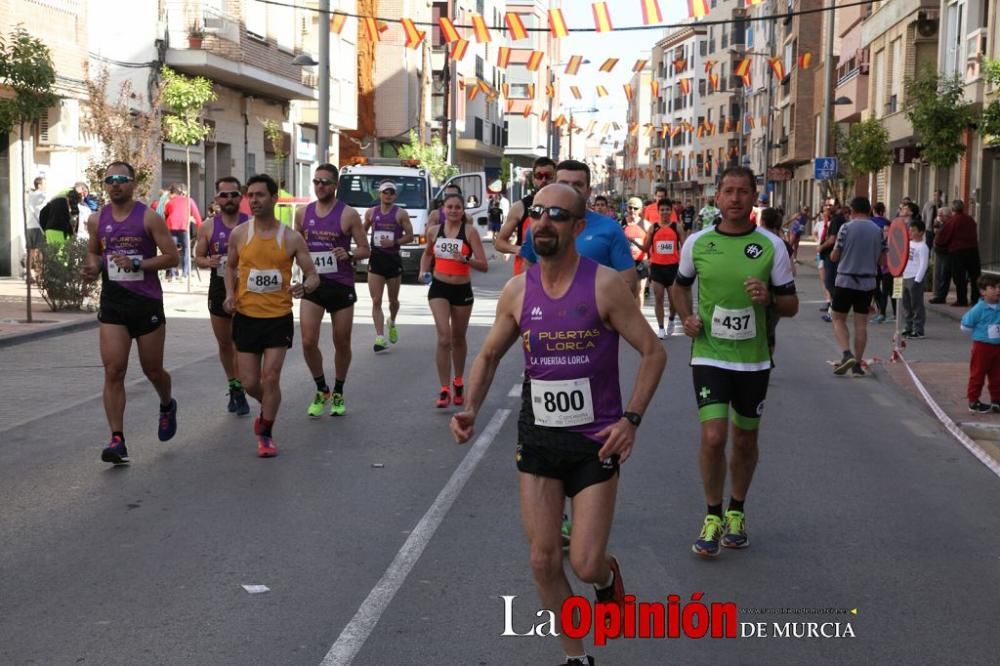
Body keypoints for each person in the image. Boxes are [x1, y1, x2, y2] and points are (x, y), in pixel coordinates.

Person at [450, 183, 666, 666]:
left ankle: (607, 578)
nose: (544, 223)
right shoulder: (518, 290)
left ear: (578, 227)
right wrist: (470, 409)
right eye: (538, 214)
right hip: (540, 437)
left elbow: (654, 353)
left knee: (585, 563)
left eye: (558, 216)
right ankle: (576, 656)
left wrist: (631, 420)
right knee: (543, 559)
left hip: (596, 441)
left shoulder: (605, 285)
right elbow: (487, 356)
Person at [669, 166, 798, 557]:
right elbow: (679, 286)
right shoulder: (698, 243)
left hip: (754, 360)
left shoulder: (772, 246)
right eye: (728, 191)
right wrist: (686, 317)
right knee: (713, 436)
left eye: (743, 191)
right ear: (718, 197)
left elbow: (791, 305)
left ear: (754, 197)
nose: (736, 198)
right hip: (710, 354)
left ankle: (737, 510)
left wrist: (769, 299)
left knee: (745, 440)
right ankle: (712, 514)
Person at [80, 161, 180, 464]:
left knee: (153, 370)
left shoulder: (149, 217)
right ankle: (117, 439)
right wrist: (92, 267)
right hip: (113, 302)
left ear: (133, 183)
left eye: (121, 179)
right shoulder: (97, 219)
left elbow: (172, 257)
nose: (115, 184)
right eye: (109, 180)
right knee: (114, 371)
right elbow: (95, 251)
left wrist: (138, 264)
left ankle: (166, 403)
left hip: (146, 302)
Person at [223, 174, 320, 456]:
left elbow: (312, 275)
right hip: (246, 316)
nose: (254, 200)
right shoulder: (240, 234)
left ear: (274, 198)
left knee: (272, 377)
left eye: (260, 195)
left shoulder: (290, 238)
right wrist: (230, 294)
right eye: (250, 195)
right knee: (250, 382)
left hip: (278, 317)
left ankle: (265, 431)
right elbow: (230, 267)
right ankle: (268, 405)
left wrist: (305, 286)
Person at [297, 164, 370, 418]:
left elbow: (365, 249)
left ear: (335, 185)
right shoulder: (302, 213)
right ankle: (321, 388)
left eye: (325, 182)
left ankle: (338, 390)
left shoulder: (348, 214)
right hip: (314, 284)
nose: (320, 186)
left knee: (341, 340)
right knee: (307, 341)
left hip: (340, 284)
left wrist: (349, 254)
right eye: (316, 181)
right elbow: (295, 248)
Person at [519, 160, 637, 296]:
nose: (570, 189)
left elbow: (629, 284)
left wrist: (592, 309)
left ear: (588, 191)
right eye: (563, 184)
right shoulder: (540, 226)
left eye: (577, 185)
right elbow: (528, 267)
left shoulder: (610, 228)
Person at [420, 192, 489, 408]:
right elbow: (427, 254)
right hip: (439, 287)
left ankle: (458, 381)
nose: (453, 211)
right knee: (444, 338)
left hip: (461, 289)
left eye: (457, 207)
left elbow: (484, 265)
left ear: (462, 210)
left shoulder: (470, 232)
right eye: (449, 207)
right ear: (443, 209)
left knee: (458, 338)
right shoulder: (433, 231)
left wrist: (466, 259)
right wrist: (423, 271)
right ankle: (444, 388)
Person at [194, 176, 250, 415]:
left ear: (241, 197)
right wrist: (209, 260)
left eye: (234, 194)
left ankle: (246, 384)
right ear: (216, 199)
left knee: (242, 341)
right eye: (224, 195)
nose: (229, 199)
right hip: (218, 287)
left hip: (247, 288)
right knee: (225, 342)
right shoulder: (207, 226)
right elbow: (198, 257)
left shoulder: (252, 223)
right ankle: (235, 386)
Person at [829, 197, 883, 377]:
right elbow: (883, 260)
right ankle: (857, 366)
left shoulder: (846, 227)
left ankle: (846, 354)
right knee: (861, 324)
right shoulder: (878, 230)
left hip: (845, 280)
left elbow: (835, 256)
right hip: (867, 283)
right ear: (868, 210)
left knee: (838, 318)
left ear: (852, 210)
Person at [364, 181, 413, 352]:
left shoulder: (400, 214)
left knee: (393, 301)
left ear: (395, 195)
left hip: (393, 260)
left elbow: (410, 236)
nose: (388, 195)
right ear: (380, 194)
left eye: (391, 193)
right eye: (385, 192)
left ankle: (392, 321)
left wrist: (395, 241)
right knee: (376, 300)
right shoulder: (371, 213)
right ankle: (380, 337)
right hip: (376, 259)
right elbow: (361, 231)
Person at [495, 157, 557, 274]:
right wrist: (520, 249)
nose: (543, 180)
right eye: (539, 176)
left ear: (555, 178)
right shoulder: (520, 206)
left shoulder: (563, 205)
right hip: (524, 275)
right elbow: (499, 242)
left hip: (554, 275)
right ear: (533, 179)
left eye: (548, 176)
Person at [641, 198, 681, 338]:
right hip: (657, 268)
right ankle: (661, 328)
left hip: (673, 268)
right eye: (662, 209)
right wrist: (634, 243)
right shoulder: (653, 227)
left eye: (667, 209)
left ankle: (671, 320)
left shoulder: (677, 227)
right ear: (658, 212)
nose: (664, 212)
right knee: (658, 298)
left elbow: (685, 246)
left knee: (673, 300)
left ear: (671, 211)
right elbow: (646, 247)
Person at [961, 274, 1000, 413]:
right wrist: (978, 335)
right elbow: (965, 325)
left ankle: (996, 400)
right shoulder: (979, 309)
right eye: (993, 288)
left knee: (997, 374)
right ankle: (973, 400)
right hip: (982, 346)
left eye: (998, 287)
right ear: (983, 291)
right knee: (978, 373)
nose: (997, 290)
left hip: (998, 346)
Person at [935, 199, 981, 307]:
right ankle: (975, 299)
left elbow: (943, 237)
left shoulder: (953, 221)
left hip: (957, 251)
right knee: (974, 276)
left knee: (959, 277)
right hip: (973, 250)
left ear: (952, 209)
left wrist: (939, 244)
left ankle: (962, 300)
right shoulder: (970, 219)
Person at [163, 183, 202, 279]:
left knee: (172, 251)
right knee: (186, 250)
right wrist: (200, 228)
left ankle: (172, 273)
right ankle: (185, 274)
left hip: (171, 226)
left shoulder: (170, 202)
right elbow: (197, 215)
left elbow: (166, 212)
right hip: (183, 227)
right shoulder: (189, 201)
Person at [817, 200, 846, 322]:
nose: (827, 208)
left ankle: (836, 310)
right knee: (830, 283)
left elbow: (833, 239)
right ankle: (834, 310)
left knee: (830, 283)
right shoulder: (835, 220)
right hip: (831, 256)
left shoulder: (836, 220)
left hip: (832, 257)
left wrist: (821, 247)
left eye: (830, 206)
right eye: (826, 206)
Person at [900, 219, 929, 339]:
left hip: (914, 278)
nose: (910, 232)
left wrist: (918, 280)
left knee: (916, 305)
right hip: (904, 276)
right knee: (906, 304)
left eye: (914, 230)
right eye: (910, 229)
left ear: (921, 232)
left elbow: (923, 264)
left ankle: (919, 329)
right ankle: (908, 327)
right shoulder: (908, 243)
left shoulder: (923, 247)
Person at [870, 202, 896, 324]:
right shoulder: (887, 222)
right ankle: (882, 311)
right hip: (882, 265)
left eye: (886, 231)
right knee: (885, 289)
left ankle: (884, 312)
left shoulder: (871, 223)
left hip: (885, 266)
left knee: (886, 289)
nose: (884, 232)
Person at [623, 197, 649, 308]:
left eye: (635, 208)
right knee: (626, 292)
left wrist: (651, 260)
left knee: (639, 291)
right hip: (624, 262)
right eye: (630, 207)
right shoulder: (621, 223)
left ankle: (639, 316)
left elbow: (650, 245)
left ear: (641, 210)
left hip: (641, 261)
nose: (632, 210)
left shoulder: (646, 225)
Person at [929, 205, 953, 304]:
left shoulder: (949, 224)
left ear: (947, 216)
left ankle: (941, 296)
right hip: (940, 252)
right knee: (940, 273)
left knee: (944, 274)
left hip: (946, 252)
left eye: (940, 215)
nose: (939, 217)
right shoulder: (941, 224)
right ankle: (939, 294)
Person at [26, 177, 46, 275]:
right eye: (44, 184)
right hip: (38, 226)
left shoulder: (30, 195)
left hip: (29, 226)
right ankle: (39, 274)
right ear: (39, 185)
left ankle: (29, 274)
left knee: (30, 252)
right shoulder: (42, 195)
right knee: (39, 251)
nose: (45, 186)